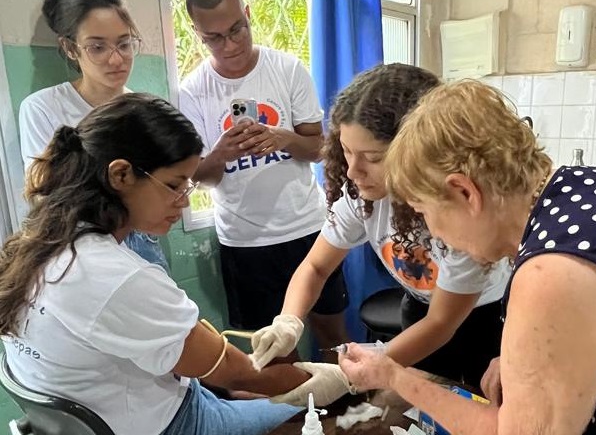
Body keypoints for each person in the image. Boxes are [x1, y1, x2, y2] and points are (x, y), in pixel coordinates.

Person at [339, 79, 596, 434]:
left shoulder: (553, 271)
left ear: (465, 193)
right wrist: (527, 362)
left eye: (424, 211)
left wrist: (394, 376)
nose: (434, 233)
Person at [0, 94, 351, 435]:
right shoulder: (116, 277)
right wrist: (329, 379)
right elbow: (236, 372)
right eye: (173, 185)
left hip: (132, 406)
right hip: (175, 423)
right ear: (120, 175)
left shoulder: (40, 244)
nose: (183, 202)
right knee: (324, 416)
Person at [250, 64, 511, 388]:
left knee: (478, 405)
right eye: (346, 152)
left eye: (372, 158)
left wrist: (359, 373)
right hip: (421, 308)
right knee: (419, 407)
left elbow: (443, 323)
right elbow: (316, 267)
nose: (352, 171)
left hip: (484, 318)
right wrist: (288, 321)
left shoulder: (457, 211)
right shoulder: (364, 195)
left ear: (416, 151)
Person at [178, 0, 348, 357]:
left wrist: (284, 139)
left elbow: (321, 148)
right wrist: (220, 154)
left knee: (331, 331)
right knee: (273, 348)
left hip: (306, 227)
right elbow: (196, 178)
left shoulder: (287, 70)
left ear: (248, 14)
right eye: (214, 38)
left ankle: (347, 411)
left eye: (237, 28)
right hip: (244, 241)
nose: (230, 44)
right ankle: (297, 416)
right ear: (197, 34)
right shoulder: (192, 92)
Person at [18, 0, 169, 271]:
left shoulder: (146, 109)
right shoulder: (43, 107)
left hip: (142, 242)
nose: (116, 59)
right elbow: (47, 195)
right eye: (97, 47)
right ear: (70, 48)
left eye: (124, 44)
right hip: (80, 248)